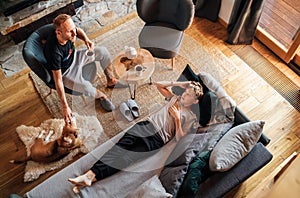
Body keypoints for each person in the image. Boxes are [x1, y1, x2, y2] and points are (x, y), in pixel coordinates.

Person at [68, 80, 204, 193]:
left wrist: (177, 119)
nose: (185, 95)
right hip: (145, 125)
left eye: (189, 95)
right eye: (186, 91)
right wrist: (180, 83)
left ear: (195, 101)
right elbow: (158, 84)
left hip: (156, 140)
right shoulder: (174, 98)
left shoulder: (190, 117)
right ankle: (89, 176)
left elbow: (180, 137)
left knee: (126, 159)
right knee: (118, 148)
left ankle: (91, 177)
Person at [44, 14, 121, 124]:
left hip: (75, 57)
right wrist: (65, 106)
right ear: (58, 33)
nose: (74, 34)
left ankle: (111, 80)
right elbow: (58, 80)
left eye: (73, 29)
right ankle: (101, 96)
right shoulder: (54, 52)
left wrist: (86, 40)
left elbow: (78, 30)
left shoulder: (71, 32)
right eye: (70, 31)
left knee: (102, 51)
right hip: (66, 71)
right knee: (86, 87)